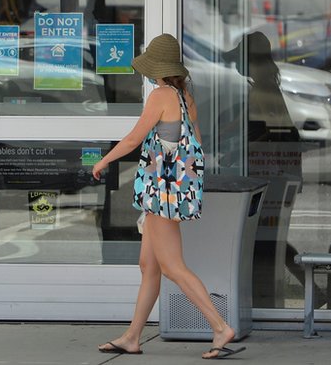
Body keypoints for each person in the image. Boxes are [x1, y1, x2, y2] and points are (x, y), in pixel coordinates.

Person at [91, 33, 245, 360]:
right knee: (149, 266)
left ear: (156, 68)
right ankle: (133, 337)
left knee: (173, 266)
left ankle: (220, 327)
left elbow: (134, 138)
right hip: (173, 192)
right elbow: (197, 144)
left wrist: (104, 160)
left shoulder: (160, 95)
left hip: (160, 193)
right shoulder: (185, 96)